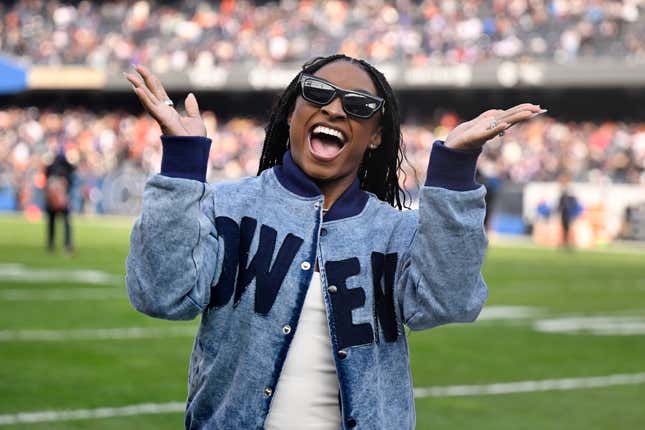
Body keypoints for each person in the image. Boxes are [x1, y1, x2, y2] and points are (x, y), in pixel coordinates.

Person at [124, 54, 543, 429]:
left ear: (376, 136)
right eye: (318, 92)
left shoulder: (393, 231)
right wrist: (181, 162)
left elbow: (448, 302)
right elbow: (160, 294)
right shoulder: (228, 208)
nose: (336, 108)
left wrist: (453, 166)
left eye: (359, 106)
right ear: (292, 113)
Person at [44, 151, 75, 253]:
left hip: (55, 200)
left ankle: (51, 245)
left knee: (52, 223)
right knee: (66, 223)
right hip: (61, 199)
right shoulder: (67, 169)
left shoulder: (50, 168)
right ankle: (67, 245)